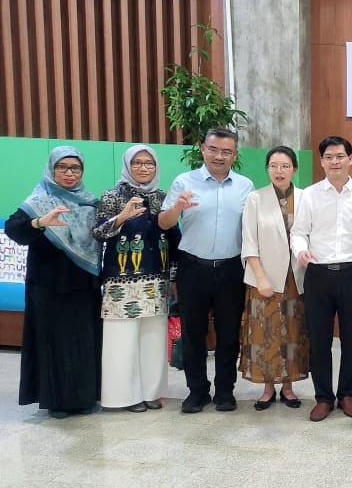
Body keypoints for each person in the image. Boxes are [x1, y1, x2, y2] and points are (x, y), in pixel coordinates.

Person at [160, 128, 254, 413]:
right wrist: (177, 207)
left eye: (226, 151)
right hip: (193, 267)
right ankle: (197, 390)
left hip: (231, 269)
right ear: (202, 149)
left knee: (228, 334)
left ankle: (225, 391)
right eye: (213, 149)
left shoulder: (245, 186)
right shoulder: (184, 182)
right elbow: (164, 223)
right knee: (193, 332)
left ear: (235, 155)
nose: (219, 156)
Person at [5, 146, 102, 418]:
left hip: (84, 285)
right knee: (54, 344)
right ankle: (57, 401)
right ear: (52, 169)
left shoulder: (89, 202)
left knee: (83, 342)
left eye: (75, 168)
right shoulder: (38, 200)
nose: (69, 173)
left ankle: (85, 397)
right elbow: (15, 231)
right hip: (48, 286)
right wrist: (39, 223)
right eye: (63, 167)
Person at [291, 136, 352, 422]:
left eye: (340, 156)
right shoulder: (311, 195)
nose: (335, 161)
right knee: (319, 339)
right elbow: (299, 232)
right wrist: (301, 251)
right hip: (318, 274)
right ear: (322, 161)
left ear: (350, 159)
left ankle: (348, 394)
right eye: (329, 156)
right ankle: (324, 397)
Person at [94, 145, 177, 412]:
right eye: (138, 163)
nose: (143, 168)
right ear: (128, 166)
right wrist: (121, 217)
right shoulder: (112, 195)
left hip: (157, 279)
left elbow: (174, 238)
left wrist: (174, 278)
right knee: (122, 341)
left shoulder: (163, 197)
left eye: (149, 163)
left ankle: (151, 392)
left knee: (153, 339)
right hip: (122, 281)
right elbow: (98, 233)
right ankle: (123, 396)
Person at [239, 146, 309, 411]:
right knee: (264, 332)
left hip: (296, 277)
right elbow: (249, 242)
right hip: (264, 278)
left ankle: (289, 387)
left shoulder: (305, 198)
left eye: (285, 166)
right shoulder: (255, 199)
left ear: (294, 169)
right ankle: (268, 388)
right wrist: (260, 277)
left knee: (292, 332)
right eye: (274, 166)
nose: (279, 171)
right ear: (267, 169)